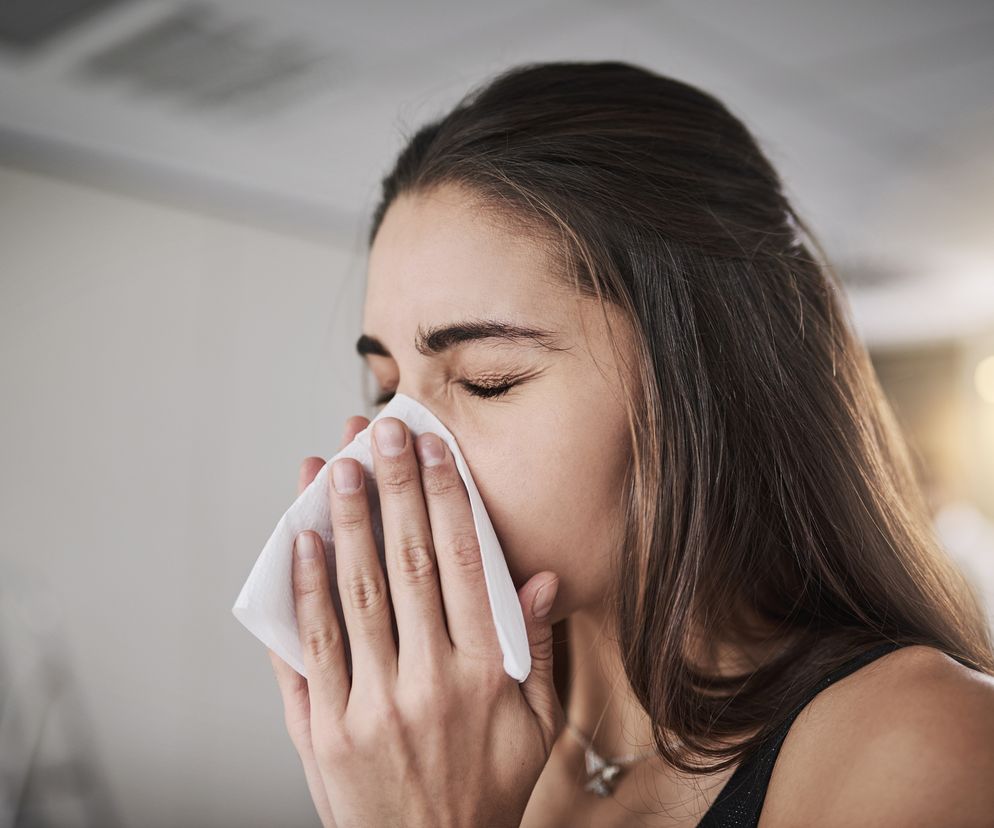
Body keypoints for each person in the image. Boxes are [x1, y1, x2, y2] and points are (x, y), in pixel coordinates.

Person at [271, 60, 994, 827]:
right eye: (387, 390)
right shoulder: (443, 730)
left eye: (487, 380)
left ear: (702, 377)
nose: (391, 455)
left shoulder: (923, 747)